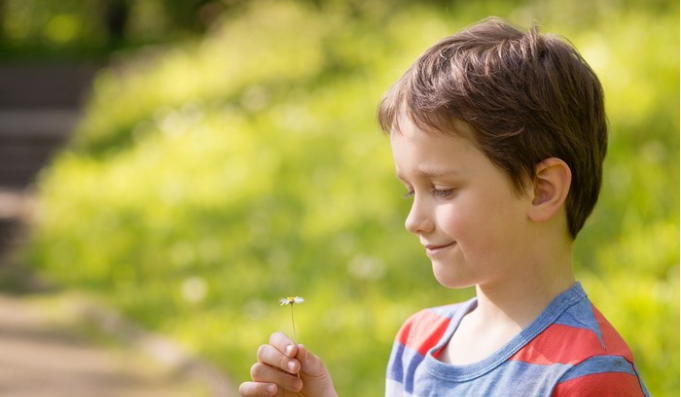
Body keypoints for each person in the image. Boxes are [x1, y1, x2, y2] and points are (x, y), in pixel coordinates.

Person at [238, 17, 650, 397]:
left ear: (541, 190)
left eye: (442, 189)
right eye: (409, 192)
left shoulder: (588, 375)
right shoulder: (417, 341)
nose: (413, 221)